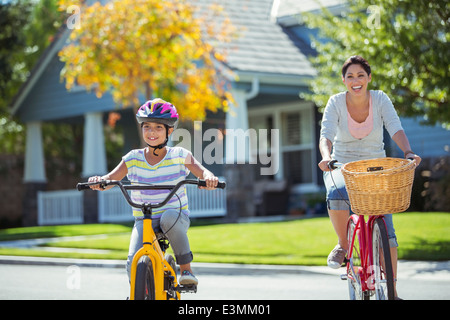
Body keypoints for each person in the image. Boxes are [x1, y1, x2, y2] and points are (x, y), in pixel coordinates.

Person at [317, 55, 421, 299]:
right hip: (342, 165)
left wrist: (408, 152)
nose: (356, 81)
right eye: (350, 76)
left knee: (389, 233)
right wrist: (326, 156)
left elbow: (395, 127)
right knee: (336, 192)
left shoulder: (380, 99)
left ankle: (392, 293)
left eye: (360, 75)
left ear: (369, 78)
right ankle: (343, 245)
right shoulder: (335, 103)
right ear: (344, 80)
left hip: (376, 166)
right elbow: (326, 135)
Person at [88, 98, 219, 286]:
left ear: (169, 131)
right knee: (133, 261)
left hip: (175, 216)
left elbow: (203, 171)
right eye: (147, 126)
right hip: (144, 219)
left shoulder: (180, 155)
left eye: (158, 127)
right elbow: (111, 179)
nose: (151, 132)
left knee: (167, 218)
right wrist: (100, 181)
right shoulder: (133, 158)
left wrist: (209, 178)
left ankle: (186, 270)